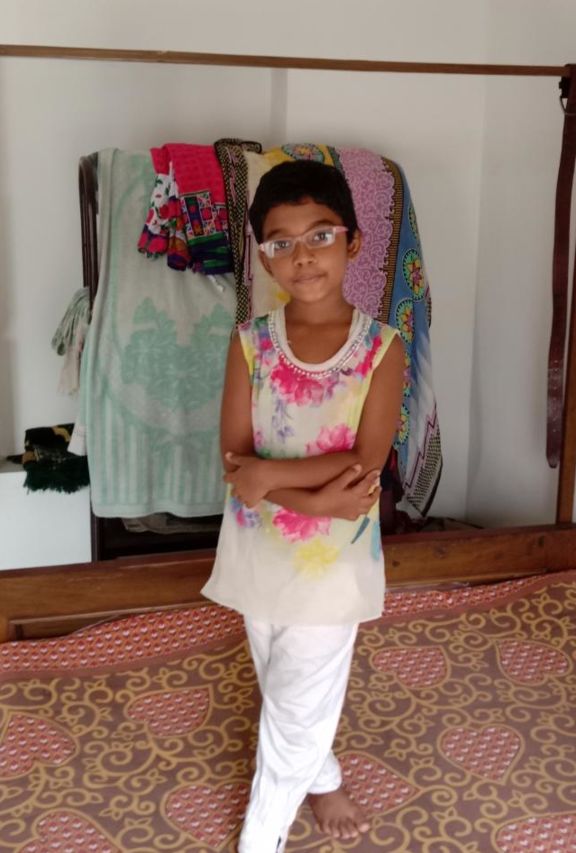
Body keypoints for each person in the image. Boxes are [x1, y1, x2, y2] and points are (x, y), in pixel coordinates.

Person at [201, 159, 405, 853]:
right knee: (282, 681)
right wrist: (277, 486)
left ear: (352, 242)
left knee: (293, 706)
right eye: (281, 242)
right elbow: (237, 459)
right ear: (265, 258)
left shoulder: (381, 349)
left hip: (332, 562)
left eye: (320, 235)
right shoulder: (250, 343)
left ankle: (261, 838)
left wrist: (268, 480)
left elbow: (364, 465)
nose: (303, 255)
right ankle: (324, 774)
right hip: (258, 548)